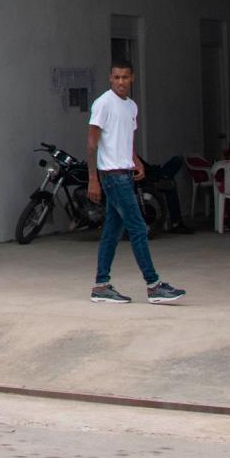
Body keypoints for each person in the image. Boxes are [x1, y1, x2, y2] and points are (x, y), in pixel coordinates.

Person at [87, 61, 184, 305]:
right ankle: (153, 285)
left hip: (125, 173)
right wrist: (93, 179)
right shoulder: (103, 103)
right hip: (112, 177)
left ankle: (101, 285)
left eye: (125, 77)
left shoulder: (131, 106)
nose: (121, 82)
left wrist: (136, 161)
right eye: (117, 77)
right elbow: (92, 144)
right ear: (110, 78)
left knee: (111, 231)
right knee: (139, 229)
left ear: (132, 79)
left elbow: (126, 139)